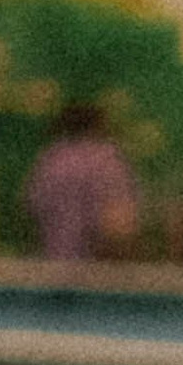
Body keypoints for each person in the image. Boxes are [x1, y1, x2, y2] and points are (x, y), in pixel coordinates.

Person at [20, 98, 141, 264]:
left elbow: (31, 213)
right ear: (98, 125)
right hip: (96, 274)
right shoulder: (107, 160)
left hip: (53, 269)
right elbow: (118, 227)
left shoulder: (51, 160)